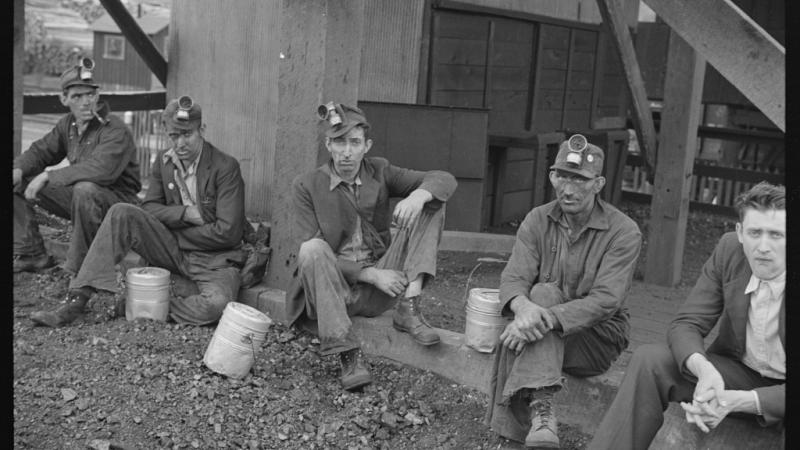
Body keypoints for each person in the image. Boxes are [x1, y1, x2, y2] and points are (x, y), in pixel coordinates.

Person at [588, 182, 785, 450]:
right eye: (754, 232)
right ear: (740, 232)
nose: (763, 246)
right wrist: (704, 370)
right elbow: (687, 323)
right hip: (741, 372)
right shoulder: (730, 250)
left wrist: (737, 400)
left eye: (776, 235)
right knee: (651, 360)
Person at [29, 96, 248, 328]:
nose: (180, 143)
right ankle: (76, 299)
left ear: (201, 129)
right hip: (174, 251)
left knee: (216, 305)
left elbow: (228, 233)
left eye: (187, 134)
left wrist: (174, 232)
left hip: (213, 260)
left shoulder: (226, 167)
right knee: (122, 212)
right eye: (174, 135)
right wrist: (186, 214)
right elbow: (149, 208)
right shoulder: (164, 163)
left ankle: (141, 304)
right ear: (166, 133)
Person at [286, 102, 457, 391]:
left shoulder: (380, 171)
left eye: (354, 143)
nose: (347, 152)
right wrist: (371, 275)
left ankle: (409, 307)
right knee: (312, 249)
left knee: (433, 202)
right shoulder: (306, 186)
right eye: (339, 142)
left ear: (367, 146)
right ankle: (347, 354)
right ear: (328, 144)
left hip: (381, 289)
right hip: (333, 292)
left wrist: (418, 196)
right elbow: (310, 258)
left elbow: (444, 179)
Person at [484, 135, 642, 448]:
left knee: (535, 309)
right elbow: (514, 278)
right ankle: (543, 415)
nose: (568, 189)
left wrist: (539, 318)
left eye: (579, 180)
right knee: (537, 298)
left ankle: (512, 434)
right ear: (552, 177)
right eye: (562, 177)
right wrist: (523, 308)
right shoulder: (537, 219)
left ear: (598, 184)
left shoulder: (623, 232)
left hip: (596, 341)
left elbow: (605, 301)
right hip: (543, 334)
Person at [13, 58, 141, 274]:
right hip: (85, 202)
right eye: (77, 96)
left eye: (90, 95)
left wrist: (48, 176)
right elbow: (41, 151)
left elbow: (102, 170)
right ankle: (32, 254)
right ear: (64, 99)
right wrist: (18, 169)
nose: (85, 102)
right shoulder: (68, 124)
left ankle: (78, 271)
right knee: (18, 180)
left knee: (85, 189)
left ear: (98, 96)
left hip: (120, 205)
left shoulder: (114, 129)